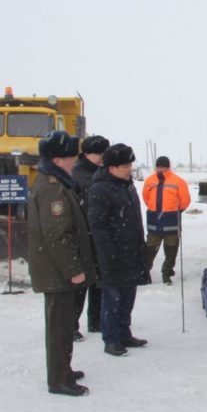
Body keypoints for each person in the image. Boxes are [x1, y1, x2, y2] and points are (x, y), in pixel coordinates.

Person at [27, 130, 97, 397]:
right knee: (59, 327)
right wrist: (74, 270)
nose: (73, 162)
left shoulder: (55, 182)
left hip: (58, 271)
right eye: (70, 158)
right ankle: (58, 380)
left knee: (64, 324)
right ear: (58, 160)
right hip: (57, 273)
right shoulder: (52, 188)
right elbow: (57, 235)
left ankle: (63, 369)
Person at [88, 143, 150, 357]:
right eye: (125, 165)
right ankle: (111, 339)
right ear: (112, 168)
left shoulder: (127, 185)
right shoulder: (100, 189)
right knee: (113, 298)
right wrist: (109, 255)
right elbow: (98, 227)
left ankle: (124, 333)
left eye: (130, 164)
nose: (130, 169)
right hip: (113, 254)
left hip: (131, 251)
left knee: (127, 297)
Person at [70, 134, 109, 338]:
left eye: (104, 152)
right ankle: (72, 326)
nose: (102, 156)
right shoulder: (77, 174)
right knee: (81, 284)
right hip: (83, 236)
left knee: (99, 282)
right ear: (86, 154)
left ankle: (96, 321)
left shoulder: (103, 172)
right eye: (98, 153)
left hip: (99, 235)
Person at [143, 156, 191, 286]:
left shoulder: (178, 181)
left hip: (171, 221)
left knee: (171, 250)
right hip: (154, 220)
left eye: (163, 167)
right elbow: (146, 197)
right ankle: (144, 273)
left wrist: (176, 211)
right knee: (150, 249)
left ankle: (167, 272)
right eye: (159, 166)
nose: (161, 169)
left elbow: (185, 200)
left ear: (168, 167)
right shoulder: (150, 180)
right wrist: (154, 209)